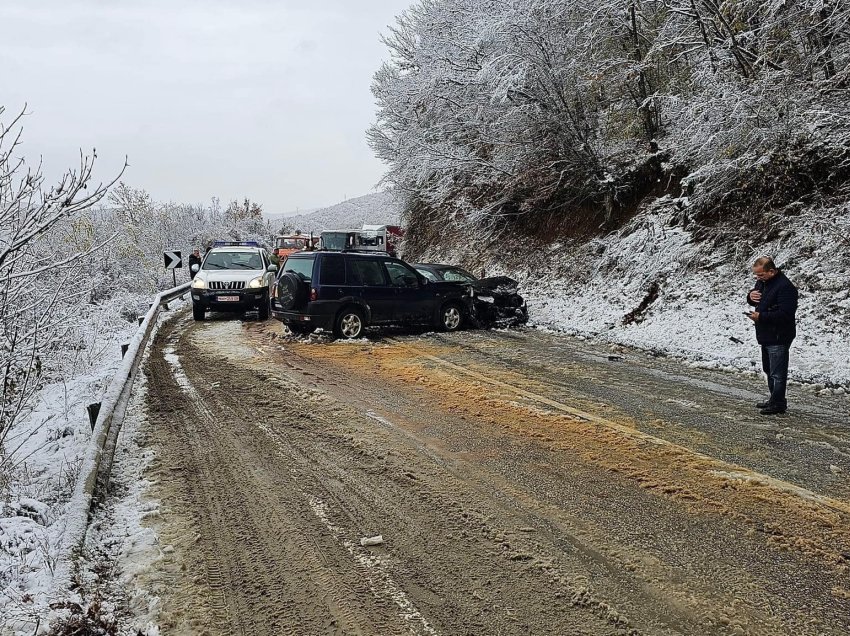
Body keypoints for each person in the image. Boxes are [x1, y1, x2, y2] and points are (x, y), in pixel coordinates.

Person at [745, 256, 799, 415]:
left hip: (779, 335)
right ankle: (774, 399)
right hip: (766, 334)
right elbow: (758, 300)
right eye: (756, 275)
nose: (757, 278)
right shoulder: (763, 282)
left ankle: (778, 403)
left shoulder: (785, 287)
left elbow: (786, 315)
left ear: (772, 271)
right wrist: (750, 296)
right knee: (769, 369)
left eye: (760, 275)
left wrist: (761, 317)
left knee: (778, 373)